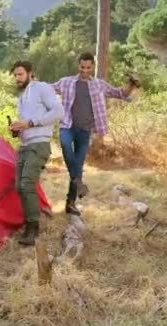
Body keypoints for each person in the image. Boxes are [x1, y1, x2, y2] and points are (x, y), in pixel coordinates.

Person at [51, 52, 138, 216]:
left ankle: (70, 203)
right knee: (65, 147)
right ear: (78, 66)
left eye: (88, 68)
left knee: (78, 166)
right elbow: (48, 88)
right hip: (67, 126)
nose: (84, 70)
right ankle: (78, 181)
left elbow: (119, 93)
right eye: (82, 67)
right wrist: (31, 82)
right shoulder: (67, 82)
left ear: (92, 67)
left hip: (85, 131)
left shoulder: (98, 85)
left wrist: (131, 85)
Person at [9, 61, 63, 246]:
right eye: (15, 75)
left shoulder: (42, 88)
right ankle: (28, 224)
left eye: (20, 74)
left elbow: (58, 111)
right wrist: (17, 129)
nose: (17, 78)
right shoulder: (22, 97)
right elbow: (25, 124)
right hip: (25, 145)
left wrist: (30, 123)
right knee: (19, 187)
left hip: (39, 144)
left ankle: (33, 229)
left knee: (27, 184)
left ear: (30, 73)